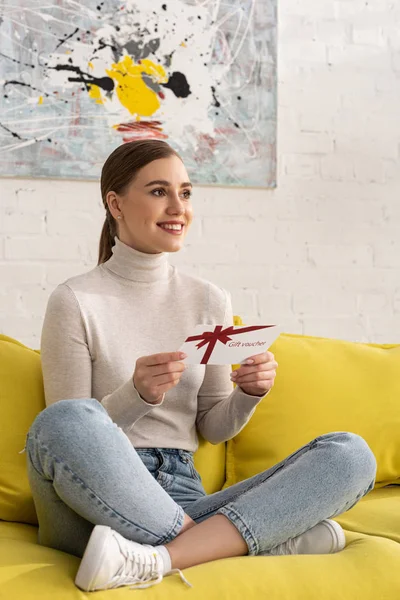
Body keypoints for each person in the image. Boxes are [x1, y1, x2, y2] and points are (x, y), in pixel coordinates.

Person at [24, 140, 377, 593]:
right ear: (115, 203)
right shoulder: (75, 300)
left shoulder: (208, 298)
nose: (178, 207)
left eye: (186, 193)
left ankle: (153, 558)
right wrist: (138, 395)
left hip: (181, 490)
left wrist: (247, 395)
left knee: (349, 454)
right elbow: (72, 432)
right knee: (65, 421)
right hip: (93, 499)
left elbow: (212, 427)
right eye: (158, 192)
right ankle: (242, 541)